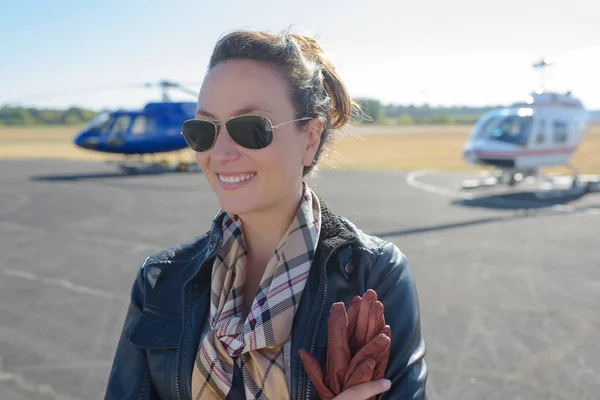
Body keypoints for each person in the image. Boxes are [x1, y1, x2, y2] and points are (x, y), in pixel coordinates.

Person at [105, 29, 427, 400]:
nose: (221, 153)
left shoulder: (373, 273)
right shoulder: (159, 281)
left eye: (251, 128)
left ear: (310, 139)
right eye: (203, 130)